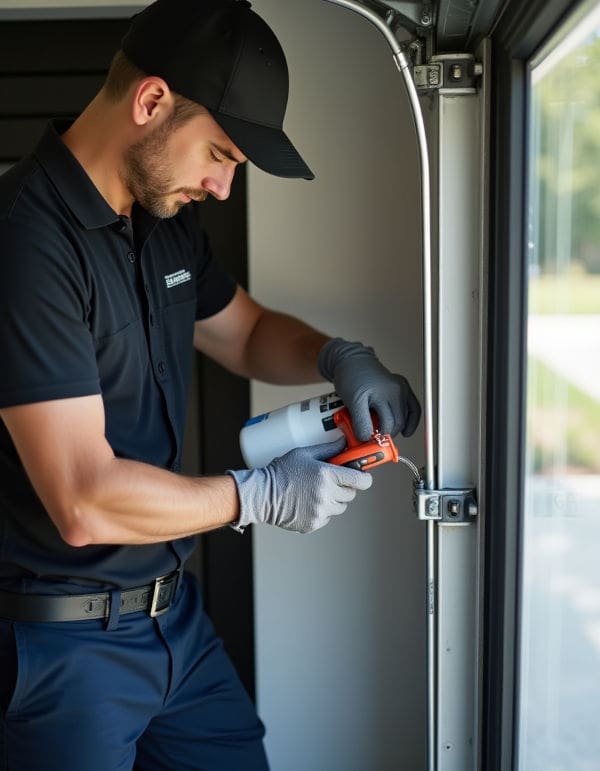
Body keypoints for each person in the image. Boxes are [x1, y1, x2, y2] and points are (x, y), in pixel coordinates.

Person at [0, 0, 421, 768]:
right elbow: (84, 498)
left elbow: (249, 333)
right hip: (62, 649)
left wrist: (340, 355)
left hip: (175, 623)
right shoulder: (25, 243)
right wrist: (256, 496)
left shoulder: (162, 219)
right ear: (152, 101)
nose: (223, 187)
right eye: (221, 154)